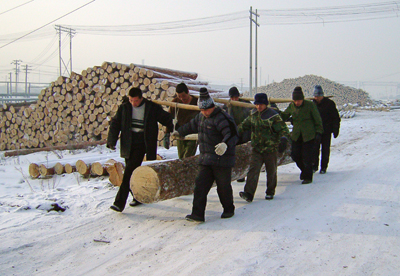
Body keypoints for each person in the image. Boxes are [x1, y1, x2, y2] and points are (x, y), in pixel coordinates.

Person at [173, 87, 238, 222]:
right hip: (206, 159)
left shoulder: (223, 117)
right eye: (202, 110)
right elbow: (190, 126)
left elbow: (232, 134)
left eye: (206, 110)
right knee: (200, 186)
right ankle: (197, 214)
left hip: (222, 159)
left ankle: (228, 209)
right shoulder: (201, 117)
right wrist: (179, 132)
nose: (204, 112)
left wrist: (225, 144)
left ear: (212, 106)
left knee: (223, 187)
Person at [107, 87, 173, 212]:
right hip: (128, 142)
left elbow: (166, 118)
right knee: (131, 171)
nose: (133, 103)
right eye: (131, 100)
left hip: (142, 142)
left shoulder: (150, 107)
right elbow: (115, 123)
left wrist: (171, 128)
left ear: (141, 98)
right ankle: (137, 197)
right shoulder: (125, 107)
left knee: (129, 172)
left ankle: (119, 203)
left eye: (135, 101)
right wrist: (111, 140)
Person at [238, 93, 290, 202]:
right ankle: (249, 193)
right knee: (253, 170)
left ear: (266, 104)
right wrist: (233, 133)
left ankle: (270, 191)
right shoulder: (253, 115)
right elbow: (243, 126)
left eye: (261, 104)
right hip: (257, 148)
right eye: (257, 104)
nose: (259, 107)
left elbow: (283, 129)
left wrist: (284, 139)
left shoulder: (273, 116)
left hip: (270, 149)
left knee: (271, 171)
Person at [280, 86, 324, 184]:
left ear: (302, 99)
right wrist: (274, 112)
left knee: (307, 157)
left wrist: (319, 132)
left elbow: (317, 119)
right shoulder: (292, 106)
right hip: (296, 135)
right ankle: (304, 171)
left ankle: (308, 177)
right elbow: (283, 116)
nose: (297, 103)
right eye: (295, 101)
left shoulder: (310, 105)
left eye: (299, 100)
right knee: (295, 155)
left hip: (309, 135)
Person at [223, 86, 252, 182]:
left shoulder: (245, 103)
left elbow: (252, 112)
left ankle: (245, 173)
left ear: (238, 96)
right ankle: (240, 174)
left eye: (236, 97)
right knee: (236, 154)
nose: (234, 99)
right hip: (234, 134)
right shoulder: (227, 105)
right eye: (232, 98)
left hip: (245, 133)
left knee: (245, 154)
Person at [164, 83, 199, 159]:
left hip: (193, 133)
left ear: (188, 92)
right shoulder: (176, 102)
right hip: (180, 132)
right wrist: (166, 134)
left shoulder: (196, 102)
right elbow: (169, 118)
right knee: (181, 157)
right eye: (179, 96)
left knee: (188, 156)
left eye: (183, 96)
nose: (182, 98)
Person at [312, 85, 341, 174]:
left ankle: (324, 167)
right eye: (315, 96)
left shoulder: (330, 104)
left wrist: (335, 129)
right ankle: (314, 166)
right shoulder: (311, 105)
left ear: (322, 95)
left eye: (318, 96)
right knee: (314, 149)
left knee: (325, 149)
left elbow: (335, 118)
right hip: (316, 131)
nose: (317, 98)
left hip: (326, 130)